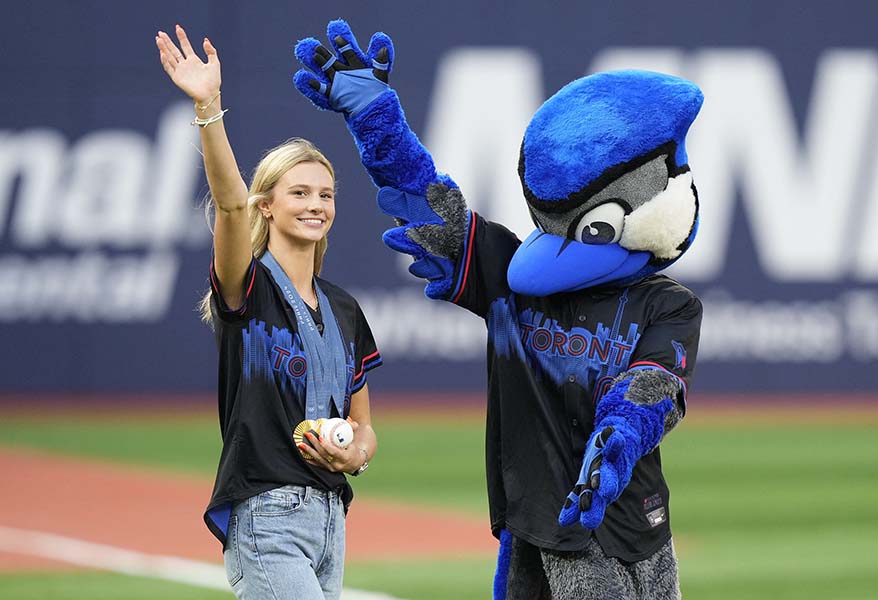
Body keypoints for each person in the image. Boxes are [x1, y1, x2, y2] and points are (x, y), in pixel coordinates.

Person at [291, 20, 703, 600]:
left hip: (631, 524)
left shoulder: (668, 303)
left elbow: (653, 386)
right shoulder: (511, 278)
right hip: (535, 522)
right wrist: (373, 113)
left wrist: (615, 440)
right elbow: (428, 204)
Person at [155, 24, 382, 600]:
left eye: (325, 194)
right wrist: (208, 107)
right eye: (299, 192)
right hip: (268, 515)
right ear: (268, 204)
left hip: (332, 520)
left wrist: (354, 454)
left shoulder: (344, 309)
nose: (315, 205)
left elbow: (363, 426)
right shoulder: (248, 287)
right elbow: (228, 205)